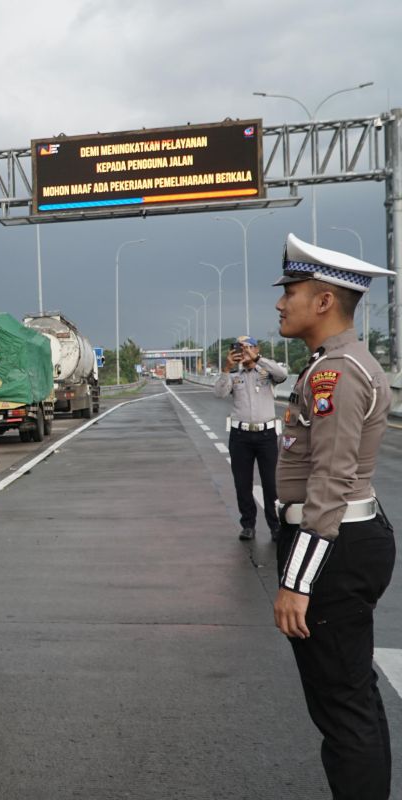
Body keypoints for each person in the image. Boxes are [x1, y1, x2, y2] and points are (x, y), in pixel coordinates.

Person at [272, 233, 395, 799]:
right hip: (346, 537)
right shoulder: (332, 365)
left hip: (334, 542)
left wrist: (298, 582)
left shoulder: (335, 374)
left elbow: (331, 482)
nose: (280, 302)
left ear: (323, 300)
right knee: (349, 691)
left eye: (291, 291)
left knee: (342, 706)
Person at [213, 334, 288, 541]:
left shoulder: (266, 371)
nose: (243, 351)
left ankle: (275, 526)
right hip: (240, 436)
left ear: (256, 348)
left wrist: (257, 359)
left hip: (267, 435)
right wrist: (226, 369)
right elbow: (219, 393)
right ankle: (248, 525)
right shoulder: (234, 375)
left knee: (271, 484)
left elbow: (282, 374)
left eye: (248, 347)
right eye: (240, 347)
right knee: (242, 483)